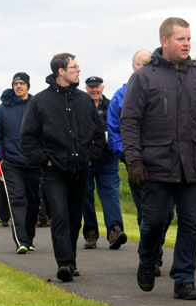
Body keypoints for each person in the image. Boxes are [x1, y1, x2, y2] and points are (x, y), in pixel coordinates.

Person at [121, 17, 196, 300]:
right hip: (155, 165)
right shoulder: (143, 77)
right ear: (164, 41)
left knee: (191, 223)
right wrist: (134, 161)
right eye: (181, 39)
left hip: (191, 164)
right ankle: (147, 259)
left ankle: (184, 279)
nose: (187, 44)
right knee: (153, 222)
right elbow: (129, 121)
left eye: (189, 38)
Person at [20, 53, 104, 281]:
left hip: (80, 169)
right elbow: (27, 139)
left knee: (75, 218)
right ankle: (64, 263)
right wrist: (45, 159)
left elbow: (98, 133)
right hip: (54, 170)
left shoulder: (85, 100)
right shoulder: (40, 101)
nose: (78, 70)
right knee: (59, 215)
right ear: (61, 71)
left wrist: (90, 157)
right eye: (74, 67)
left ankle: (72, 261)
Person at [107, 49, 174, 276]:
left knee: (168, 213)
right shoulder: (120, 95)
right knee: (147, 212)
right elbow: (115, 129)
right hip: (137, 162)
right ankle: (151, 257)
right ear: (134, 67)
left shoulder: (165, 88)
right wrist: (126, 154)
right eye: (140, 62)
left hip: (165, 160)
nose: (145, 65)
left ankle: (152, 249)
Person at [0, 72, 41, 254]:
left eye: (22, 83)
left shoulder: (36, 104)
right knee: (17, 200)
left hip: (34, 162)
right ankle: (20, 241)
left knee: (34, 202)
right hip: (12, 162)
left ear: (28, 86)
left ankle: (29, 238)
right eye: (15, 84)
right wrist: (1, 158)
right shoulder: (3, 109)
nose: (18, 86)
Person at [81, 76, 127, 250]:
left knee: (110, 195)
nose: (94, 90)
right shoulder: (81, 107)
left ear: (102, 87)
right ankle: (91, 233)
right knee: (86, 197)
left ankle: (115, 231)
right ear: (86, 88)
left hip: (108, 158)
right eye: (91, 87)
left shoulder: (111, 105)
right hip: (87, 159)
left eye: (97, 86)